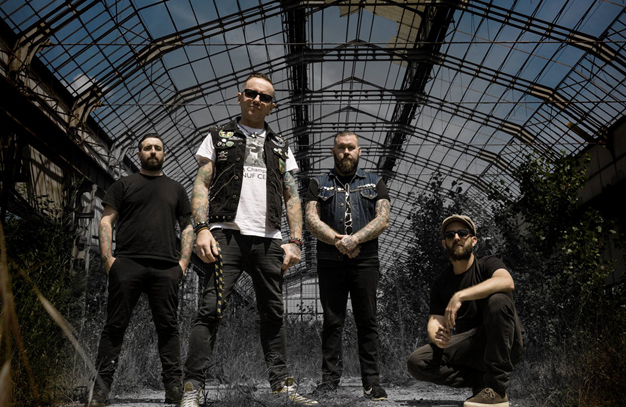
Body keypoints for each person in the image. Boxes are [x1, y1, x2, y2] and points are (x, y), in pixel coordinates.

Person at [180, 72, 317, 406]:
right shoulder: (218, 137)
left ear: (272, 106)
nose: (257, 100)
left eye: (264, 97)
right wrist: (201, 228)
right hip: (225, 235)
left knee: (274, 313)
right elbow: (202, 183)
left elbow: (292, 195)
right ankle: (192, 388)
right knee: (210, 309)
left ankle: (281, 388)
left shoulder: (281, 146)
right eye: (251, 93)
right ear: (240, 97)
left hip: (269, 240)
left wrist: (296, 241)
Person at [88, 134, 194, 407]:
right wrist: (108, 259)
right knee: (115, 326)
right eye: (147, 148)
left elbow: (187, 228)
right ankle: (100, 391)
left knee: (168, 327)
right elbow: (106, 221)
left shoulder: (176, 189)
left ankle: (173, 388)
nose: (153, 152)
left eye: (158, 148)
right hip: (127, 264)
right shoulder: (123, 185)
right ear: (139, 154)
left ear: (164, 154)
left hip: (166, 266)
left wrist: (182, 264)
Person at [304, 131, 391, 401]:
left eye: (351, 147)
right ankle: (329, 382)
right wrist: (337, 240)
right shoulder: (318, 183)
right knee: (332, 322)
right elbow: (310, 219)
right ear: (333, 151)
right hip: (330, 262)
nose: (346, 152)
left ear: (359, 151)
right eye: (341, 147)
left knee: (368, 320)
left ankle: (372, 383)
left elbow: (383, 219)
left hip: (365, 261)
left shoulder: (375, 182)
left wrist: (355, 239)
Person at [407, 215, 525, 407]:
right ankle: (481, 382)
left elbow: (506, 282)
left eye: (463, 233)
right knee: (417, 362)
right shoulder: (441, 283)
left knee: (499, 300)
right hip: (470, 346)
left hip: (506, 342)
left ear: (473, 240)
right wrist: (437, 337)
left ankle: (497, 389)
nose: (457, 237)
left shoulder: (488, 264)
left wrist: (460, 296)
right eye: (450, 235)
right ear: (444, 243)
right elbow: (434, 321)